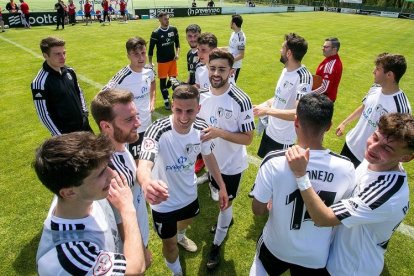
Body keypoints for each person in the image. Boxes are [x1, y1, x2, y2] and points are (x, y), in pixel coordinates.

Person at [286, 112, 414, 275]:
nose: (373, 148)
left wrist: (301, 176)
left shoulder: (386, 194)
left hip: (349, 268)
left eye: (387, 148)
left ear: (406, 157)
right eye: (375, 138)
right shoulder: (377, 161)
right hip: (335, 254)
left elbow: (324, 218)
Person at [249, 93, 355, 275]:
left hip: (276, 247)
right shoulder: (346, 168)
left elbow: (258, 210)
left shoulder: (274, 161)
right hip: (315, 256)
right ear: (328, 126)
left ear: (296, 121)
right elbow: (341, 216)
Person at [137, 84, 229, 276]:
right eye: (178, 110)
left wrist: (221, 185)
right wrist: (146, 183)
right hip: (163, 202)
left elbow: (209, 157)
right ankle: (177, 272)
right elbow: (144, 163)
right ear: (172, 106)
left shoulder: (202, 129)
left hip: (189, 194)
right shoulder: (157, 130)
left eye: (189, 111)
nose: (184, 117)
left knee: (187, 221)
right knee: (169, 246)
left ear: (198, 109)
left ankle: (180, 235)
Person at [34, 131, 146, 275]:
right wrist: (127, 209)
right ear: (69, 192)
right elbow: (135, 269)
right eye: (100, 173)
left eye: (107, 166)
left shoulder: (84, 197)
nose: (112, 174)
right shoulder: (69, 257)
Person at [197, 49, 255, 270]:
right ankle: (226, 219)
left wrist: (219, 132)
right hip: (211, 162)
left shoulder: (241, 100)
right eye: (212, 68)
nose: (216, 73)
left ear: (231, 72)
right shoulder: (201, 94)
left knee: (223, 204)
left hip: (231, 166)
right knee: (217, 198)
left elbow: (248, 139)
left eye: (222, 69)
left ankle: (216, 246)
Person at [91, 88, 152, 269]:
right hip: (129, 246)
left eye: (136, 116)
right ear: (106, 126)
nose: (138, 123)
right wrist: (141, 249)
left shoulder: (120, 144)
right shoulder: (109, 169)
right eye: (129, 119)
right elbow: (119, 221)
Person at [336, 53, 411, 168]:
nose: (373, 71)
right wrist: (344, 123)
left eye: (378, 69)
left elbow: (399, 141)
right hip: (351, 144)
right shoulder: (375, 88)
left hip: (368, 157)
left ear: (389, 75)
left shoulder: (400, 107)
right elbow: (364, 107)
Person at [254, 33, 312, 158]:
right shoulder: (286, 70)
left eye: (282, 48)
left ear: (289, 53)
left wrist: (267, 111)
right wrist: (261, 107)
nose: (280, 50)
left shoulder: (303, 78)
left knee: (277, 173)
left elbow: (298, 113)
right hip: (270, 130)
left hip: (283, 139)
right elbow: (279, 97)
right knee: (265, 167)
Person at [102, 37, 156, 163]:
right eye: (136, 54)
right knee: (132, 161)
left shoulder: (149, 71)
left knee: (146, 158)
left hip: (147, 125)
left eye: (143, 53)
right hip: (130, 129)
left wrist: (152, 101)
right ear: (128, 56)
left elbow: (153, 83)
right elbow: (102, 95)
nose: (141, 58)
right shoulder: (123, 76)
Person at [31, 37, 92, 136]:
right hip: (66, 135)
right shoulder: (39, 83)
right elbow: (43, 115)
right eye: (57, 54)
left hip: (84, 127)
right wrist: (60, 137)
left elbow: (79, 92)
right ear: (45, 56)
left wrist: (84, 114)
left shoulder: (70, 71)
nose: (63, 57)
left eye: (64, 53)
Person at [148, 12, 180, 110]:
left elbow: (177, 44)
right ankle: (166, 100)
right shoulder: (156, 33)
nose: (167, 20)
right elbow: (151, 49)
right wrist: (150, 62)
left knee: (172, 81)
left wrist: (177, 54)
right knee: (162, 81)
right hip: (162, 62)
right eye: (165, 19)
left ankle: (169, 91)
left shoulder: (173, 29)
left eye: (168, 19)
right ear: (160, 20)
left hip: (172, 60)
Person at [312, 37, 342, 102]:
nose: (323, 49)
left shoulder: (331, 65)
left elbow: (325, 88)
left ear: (334, 49)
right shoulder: (330, 59)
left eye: (326, 47)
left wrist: (308, 95)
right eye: (323, 46)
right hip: (323, 99)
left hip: (323, 102)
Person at [227, 14, 246, 82]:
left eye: (231, 22)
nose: (230, 23)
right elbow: (231, 48)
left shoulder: (241, 37)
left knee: (231, 87)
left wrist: (230, 61)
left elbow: (241, 55)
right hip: (229, 65)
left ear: (234, 24)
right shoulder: (233, 33)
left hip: (234, 66)